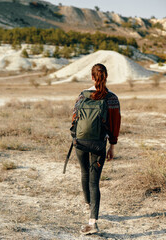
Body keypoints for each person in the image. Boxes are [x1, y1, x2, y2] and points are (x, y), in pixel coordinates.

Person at [71, 63, 121, 235]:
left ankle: (89, 205)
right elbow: (115, 125)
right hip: (99, 144)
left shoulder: (82, 95)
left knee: (84, 174)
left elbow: (74, 118)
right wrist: (112, 146)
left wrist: (74, 138)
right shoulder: (111, 98)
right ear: (106, 77)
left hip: (81, 143)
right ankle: (92, 222)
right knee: (94, 181)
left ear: (92, 77)